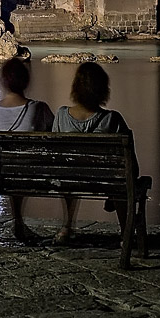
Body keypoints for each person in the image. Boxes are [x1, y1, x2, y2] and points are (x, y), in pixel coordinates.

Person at [52, 61, 130, 244]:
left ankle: (66, 227)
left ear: (76, 88)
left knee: (69, 173)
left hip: (70, 179)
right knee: (121, 178)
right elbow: (128, 158)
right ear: (103, 89)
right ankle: (126, 232)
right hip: (106, 181)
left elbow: (55, 152)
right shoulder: (112, 119)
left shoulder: (61, 115)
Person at [0, 57, 54, 244]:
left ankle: (18, 221)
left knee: (12, 164)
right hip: (34, 172)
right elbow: (54, 134)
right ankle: (67, 227)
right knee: (21, 164)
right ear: (26, 81)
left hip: (2, 172)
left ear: (3, 82)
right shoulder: (38, 108)